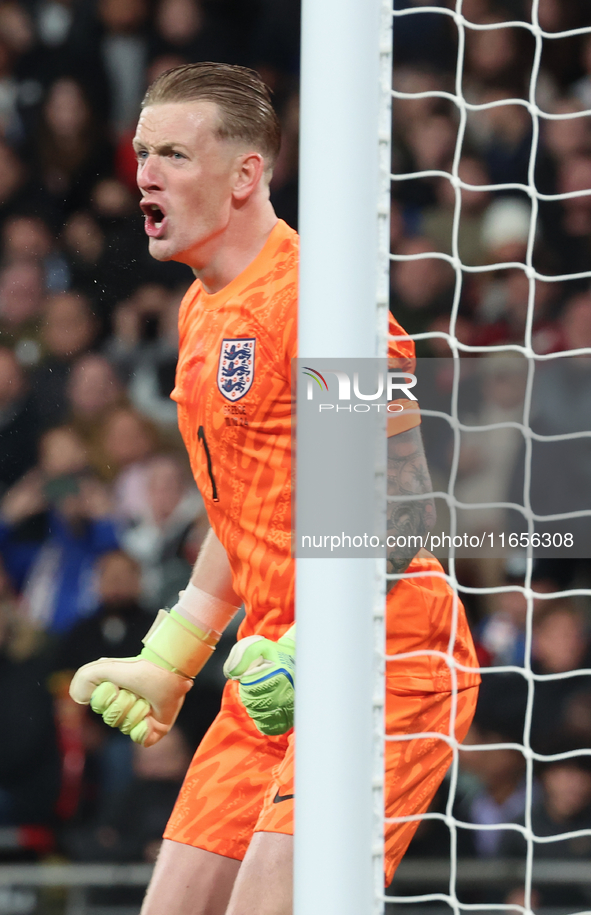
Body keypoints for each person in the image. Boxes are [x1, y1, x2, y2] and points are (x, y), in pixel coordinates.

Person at [69, 63, 480, 914]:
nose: (145, 172)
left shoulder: (323, 301)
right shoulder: (198, 310)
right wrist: (173, 653)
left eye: (175, 154)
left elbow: (396, 512)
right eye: (143, 151)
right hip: (272, 663)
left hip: (385, 656)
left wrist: (318, 649)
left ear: (247, 174)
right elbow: (243, 506)